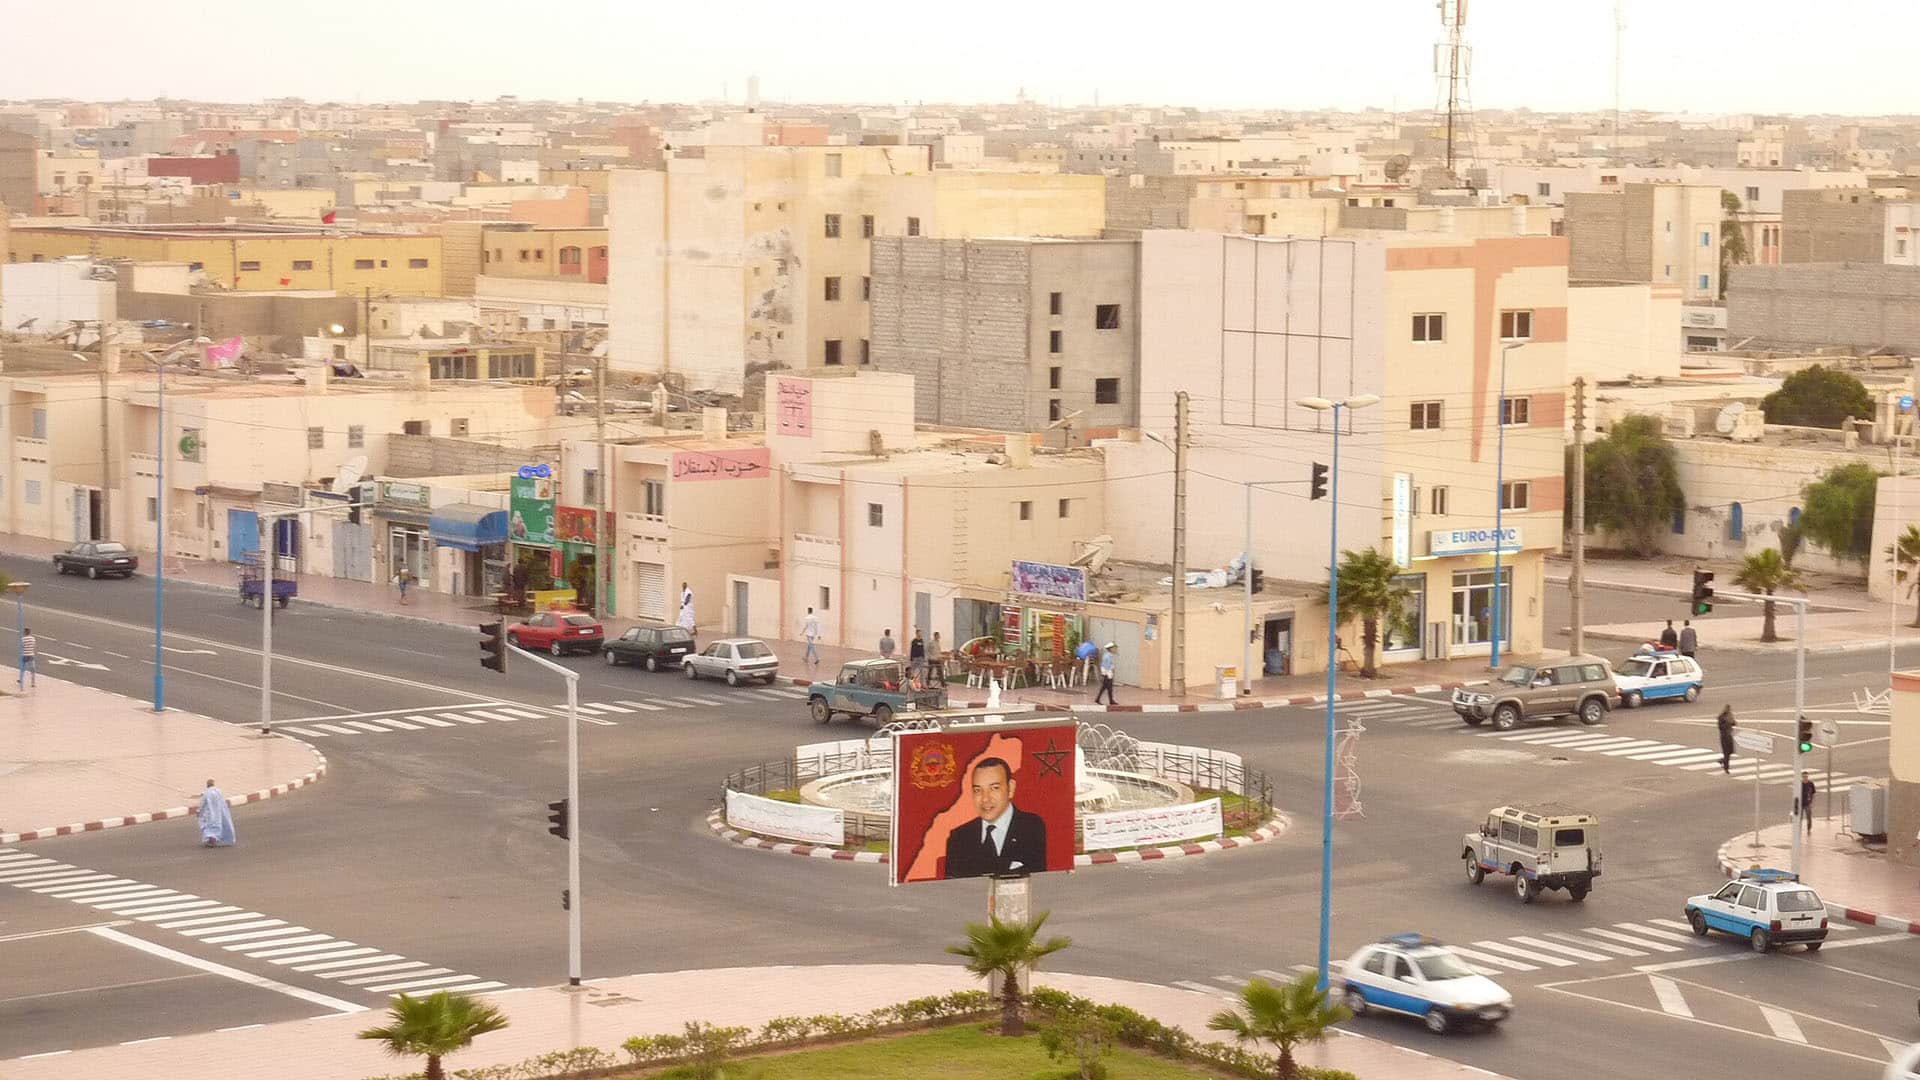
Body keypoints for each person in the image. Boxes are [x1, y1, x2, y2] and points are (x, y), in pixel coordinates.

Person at [941, 757, 1048, 878]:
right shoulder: (959, 838)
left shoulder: (1032, 828)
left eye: (994, 788)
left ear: (1011, 788)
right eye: (978, 790)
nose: (985, 799)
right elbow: (952, 889)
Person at [197, 780, 236, 848]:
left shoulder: (206, 793)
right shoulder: (218, 791)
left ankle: (212, 840)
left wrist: (199, 811)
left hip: (209, 813)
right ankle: (219, 839)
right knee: (219, 825)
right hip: (219, 813)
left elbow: (202, 804)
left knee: (208, 826)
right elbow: (222, 802)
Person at [1717, 704, 1737, 774]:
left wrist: (1732, 722)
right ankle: (1726, 768)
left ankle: (1722, 761)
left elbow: (1734, 723)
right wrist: (1728, 723)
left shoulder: (1730, 716)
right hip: (1724, 737)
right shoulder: (1721, 717)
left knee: (1731, 751)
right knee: (1726, 753)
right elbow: (1720, 727)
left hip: (1729, 736)